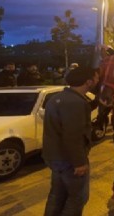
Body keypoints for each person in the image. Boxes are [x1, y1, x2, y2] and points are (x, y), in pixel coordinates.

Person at [42, 66, 98, 216]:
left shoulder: (59, 98)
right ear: (88, 82)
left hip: (56, 157)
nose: (98, 80)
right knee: (77, 198)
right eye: (96, 77)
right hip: (70, 161)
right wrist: (79, 162)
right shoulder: (75, 103)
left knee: (57, 196)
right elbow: (72, 135)